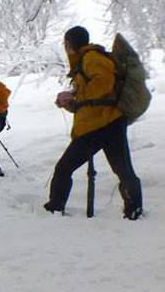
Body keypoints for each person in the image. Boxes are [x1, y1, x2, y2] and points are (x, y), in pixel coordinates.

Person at [45, 26, 143, 220]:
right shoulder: (87, 60)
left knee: (64, 168)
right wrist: (71, 101)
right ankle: (134, 210)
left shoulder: (91, 58)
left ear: (69, 44)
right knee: (123, 170)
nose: (65, 48)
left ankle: (55, 209)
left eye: (65, 44)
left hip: (98, 126)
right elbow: (92, 100)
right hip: (109, 122)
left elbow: (103, 83)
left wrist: (75, 95)